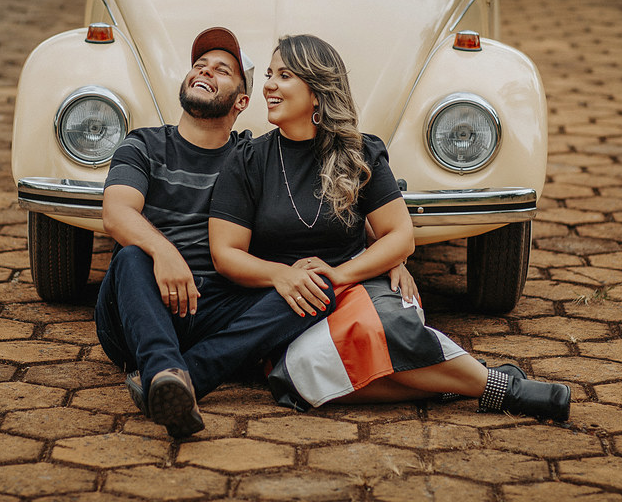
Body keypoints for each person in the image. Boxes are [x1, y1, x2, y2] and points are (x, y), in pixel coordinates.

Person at [209, 34, 571, 421]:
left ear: (316, 92)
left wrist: (341, 275)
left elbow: (400, 235)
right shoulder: (248, 159)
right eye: (269, 74)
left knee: (385, 329)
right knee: (300, 375)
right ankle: (462, 381)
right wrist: (280, 276)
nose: (269, 85)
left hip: (357, 282)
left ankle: (505, 391)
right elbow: (225, 253)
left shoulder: (358, 151)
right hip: (287, 301)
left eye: (284, 76)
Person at [95, 27, 339, 439]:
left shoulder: (254, 158)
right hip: (142, 300)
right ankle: (165, 366)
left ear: (242, 101)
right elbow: (116, 213)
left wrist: (396, 259)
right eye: (199, 65)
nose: (205, 71)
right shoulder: (143, 145)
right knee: (131, 257)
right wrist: (165, 253)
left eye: (222, 70)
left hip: (218, 305)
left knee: (317, 291)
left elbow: (331, 208)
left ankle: (181, 379)